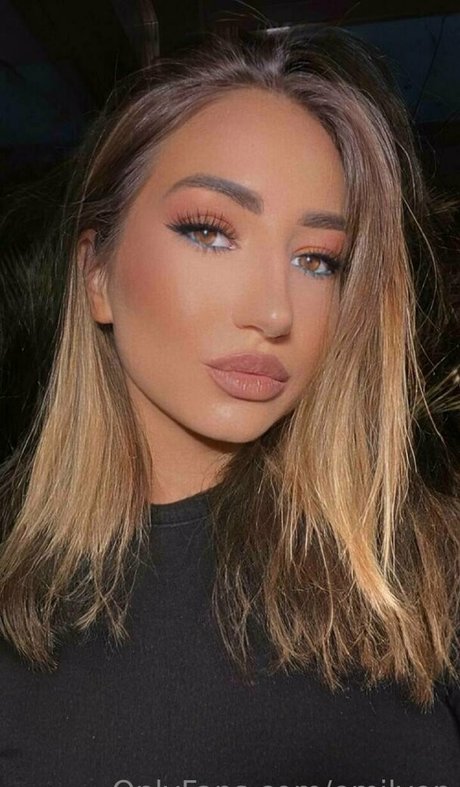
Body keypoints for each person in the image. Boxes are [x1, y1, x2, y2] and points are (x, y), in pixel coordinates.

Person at [0, 23, 459, 787]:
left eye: (317, 260)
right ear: (96, 273)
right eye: (211, 232)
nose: (273, 311)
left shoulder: (427, 569)